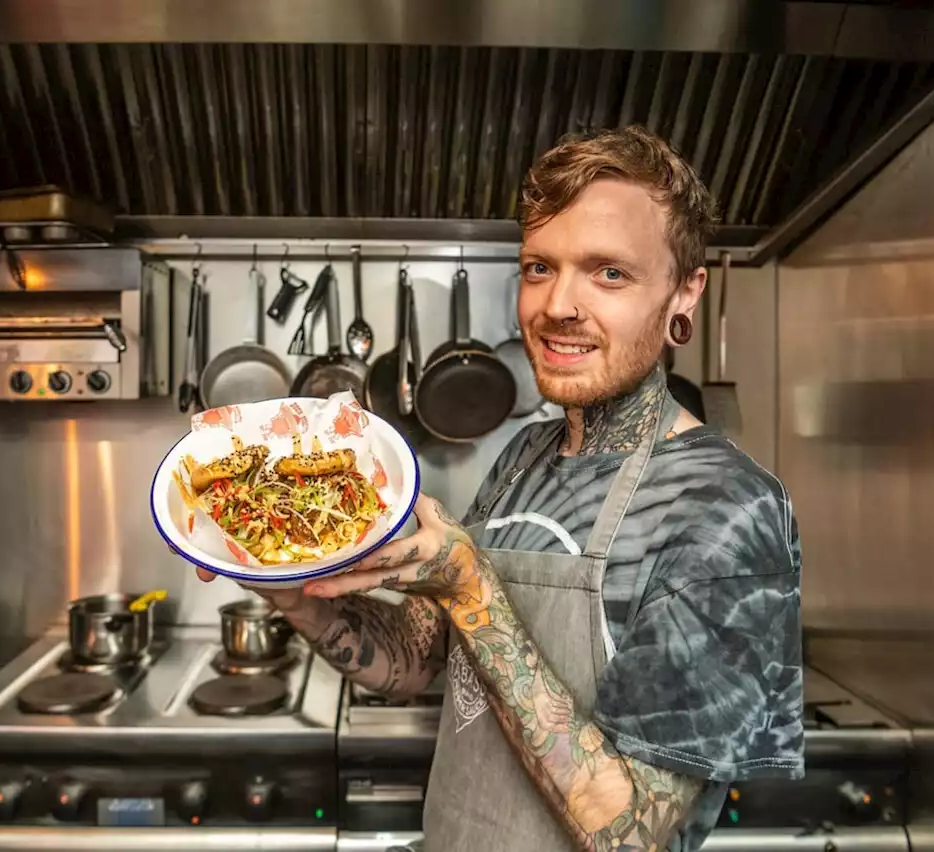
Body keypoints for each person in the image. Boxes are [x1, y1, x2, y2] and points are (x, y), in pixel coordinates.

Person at [194, 126, 803, 851]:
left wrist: (471, 588)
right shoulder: (524, 454)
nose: (557, 306)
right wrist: (295, 594)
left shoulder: (730, 510)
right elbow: (420, 660)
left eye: (609, 273)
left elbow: (634, 834)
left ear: (684, 293)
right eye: (540, 267)